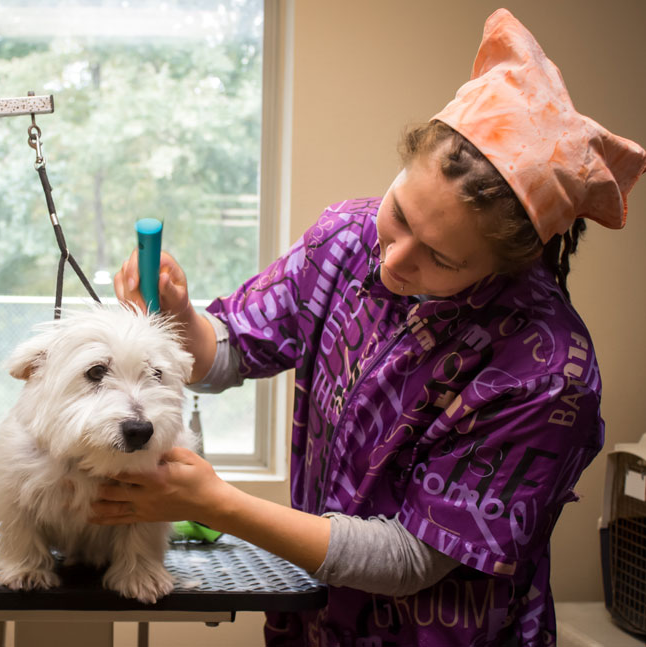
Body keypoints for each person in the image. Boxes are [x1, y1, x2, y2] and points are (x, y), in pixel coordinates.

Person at [90, 9, 646, 646]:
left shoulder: (547, 375)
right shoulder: (348, 239)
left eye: (442, 258)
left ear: (508, 267)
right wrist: (179, 315)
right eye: (401, 212)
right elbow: (233, 351)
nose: (394, 261)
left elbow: (411, 560)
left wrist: (217, 506)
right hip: (317, 624)